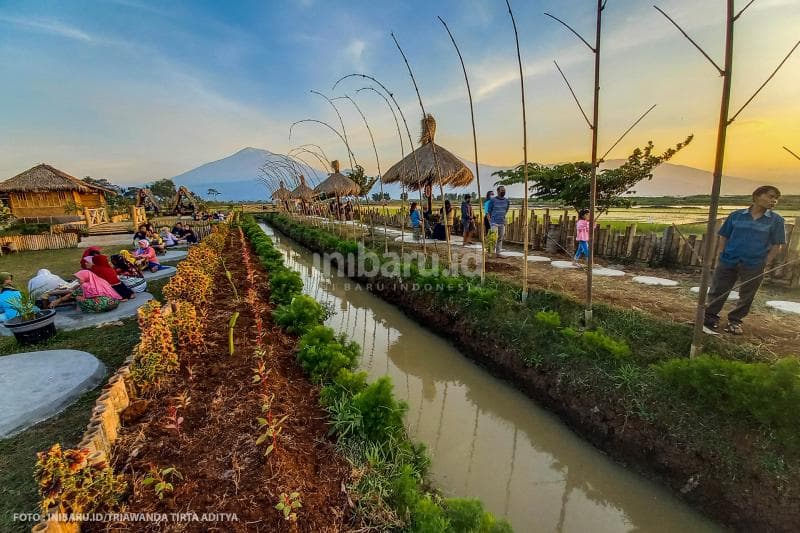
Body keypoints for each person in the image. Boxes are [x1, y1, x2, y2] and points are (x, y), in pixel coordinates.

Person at [704, 186, 786, 335]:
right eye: (770, 196)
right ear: (756, 196)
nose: (774, 201)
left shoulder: (776, 220)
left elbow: (777, 244)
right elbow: (724, 235)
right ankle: (709, 317)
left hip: (754, 263)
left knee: (747, 294)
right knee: (718, 289)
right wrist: (721, 253)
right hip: (728, 259)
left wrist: (766, 261)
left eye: (776, 198)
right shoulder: (736, 216)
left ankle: (735, 321)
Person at [49, 270, 122, 313]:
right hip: (113, 302)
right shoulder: (100, 280)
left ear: (86, 277)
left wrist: (57, 301)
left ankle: (85, 309)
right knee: (85, 295)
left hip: (102, 306)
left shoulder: (85, 286)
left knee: (78, 297)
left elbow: (70, 295)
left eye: (79, 278)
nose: (78, 280)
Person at [487, 186, 510, 257]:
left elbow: (506, 210)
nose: (503, 191)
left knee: (500, 238)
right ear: (498, 191)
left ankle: (498, 253)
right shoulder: (493, 200)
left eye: (504, 190)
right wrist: (490, 221)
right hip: (494, 222)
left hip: (502, 222)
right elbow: (488, 212)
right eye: (502, 190)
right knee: (493, 237)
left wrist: (503, 217)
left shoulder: (507, 201)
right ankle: (490, 252)